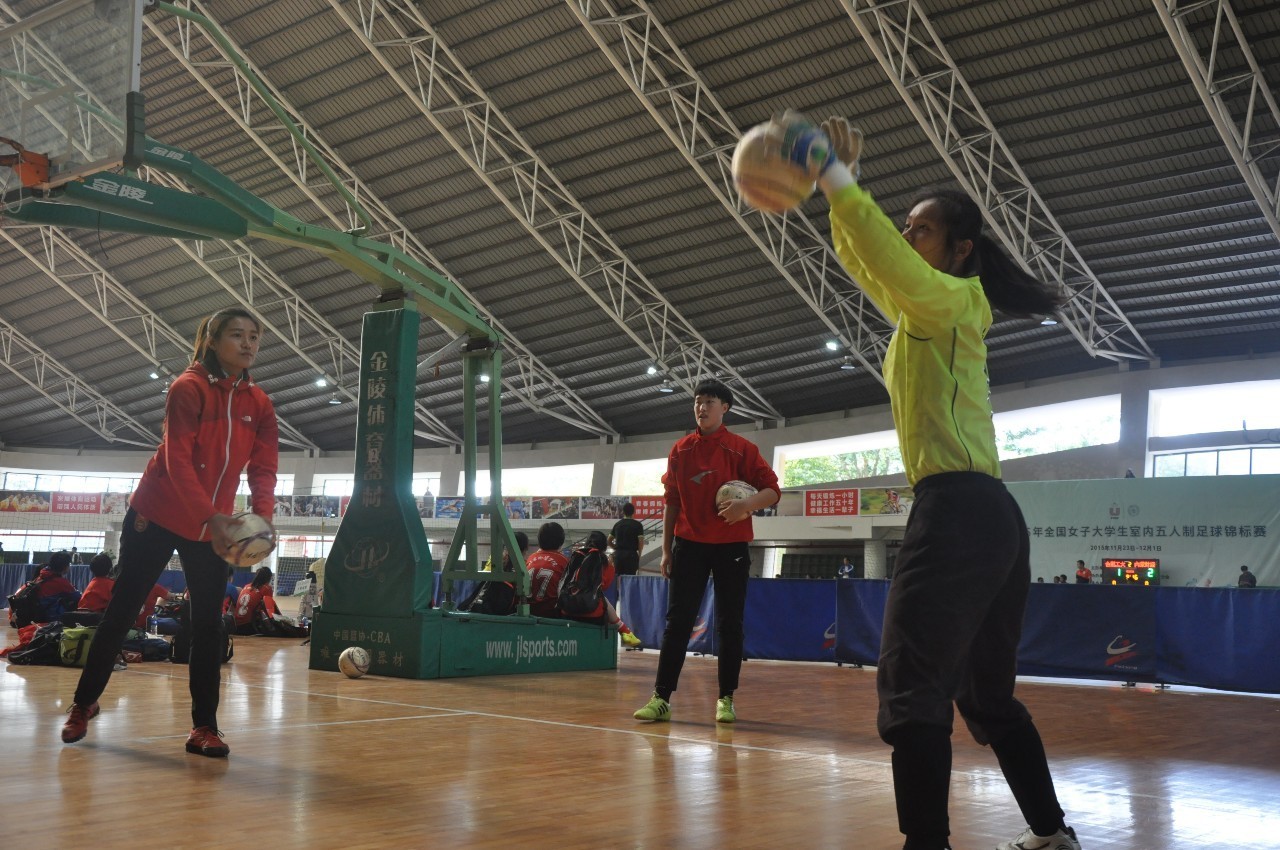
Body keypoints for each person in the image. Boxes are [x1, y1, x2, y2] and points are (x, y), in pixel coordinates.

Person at [814, 116, 1081, 850]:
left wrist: (839, 178)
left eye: (922, 230)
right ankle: (1052, 836)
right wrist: (836, 195)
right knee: (985, 696)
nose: (906, 239)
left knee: (911, 688)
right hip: (991, 517)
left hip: (959, 513)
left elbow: (888, 269)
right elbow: (871, 265)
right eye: (904, 227)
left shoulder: (952, 303)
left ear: (961, 251)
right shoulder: (923, 316)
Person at [61, 306, 278, 759]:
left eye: (254, 337)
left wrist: (262, 518)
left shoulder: (259, 403)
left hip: (212, 527)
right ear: (212, 340)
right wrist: (212, 516)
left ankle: (204, 728)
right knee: (121, 613)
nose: (248, 344)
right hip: (157, 514)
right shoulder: (188, 388)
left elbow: (263, 467)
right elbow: (178, 459)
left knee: (208, 625)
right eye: (237, 335)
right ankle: (83, 704)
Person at [633, 378, 780, 725]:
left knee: (730, 624)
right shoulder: (681, 449)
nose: (702, 407)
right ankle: (661, 698)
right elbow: (671, 502)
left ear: (724, 408)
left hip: (731, 546)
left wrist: (746, 505)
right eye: (698, 401)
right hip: (689, 547)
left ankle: (726, 699)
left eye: (710, 401)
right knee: (677, 624)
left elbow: (772, 490)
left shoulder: (742, 449)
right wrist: (667, 550)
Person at [34, 550, 81, 622]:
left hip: (38, 613)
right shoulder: (61, 582)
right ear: (65, 567)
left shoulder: (42, 575)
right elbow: (77, 596)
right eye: (69, 564)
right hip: (50, 617)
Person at [232, 566, 281, 634]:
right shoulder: (266, 588)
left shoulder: (246, 586)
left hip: (236, 625)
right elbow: (270, 610)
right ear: (269, 578)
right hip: (249, 626)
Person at [609, 501, 645, 576]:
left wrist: (616, 548)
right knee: (630, 578)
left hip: (618, 555)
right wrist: (639, 555)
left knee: (618, 578)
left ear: (623, 512)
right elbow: (640, 542)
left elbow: (609, 540)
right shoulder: (638, 525)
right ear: (633, 512)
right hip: (631, 555)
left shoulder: (617, 524)